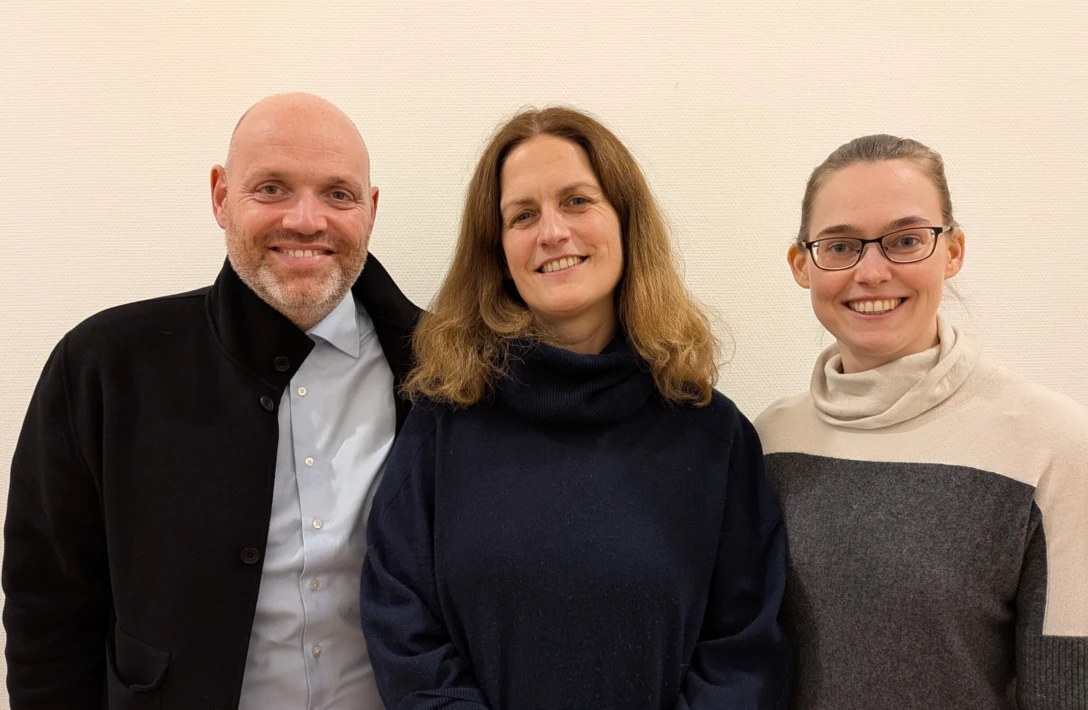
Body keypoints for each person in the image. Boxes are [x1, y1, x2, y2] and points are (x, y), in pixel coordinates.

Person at [360, 106, 793, 710]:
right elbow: (402, 625)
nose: (552, 232)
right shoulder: (443, 421)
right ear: (498, 249)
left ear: (626, 221)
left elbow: (745, 651)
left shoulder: (715, 436)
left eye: (578, 201)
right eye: (523, 215)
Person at [3, 93, 421, 709]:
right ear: (221, 196)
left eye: (338, 194)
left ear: (372, 209)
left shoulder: (444, 373)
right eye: (272, 188)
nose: (307, 220)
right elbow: (49, 609)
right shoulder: (101, 367)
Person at [755, 135, 1088, 708]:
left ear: (953, 250)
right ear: (802, 265)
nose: (873, 272)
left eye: (906, 240)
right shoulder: (768, 441)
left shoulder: (1051, 444)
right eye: (840, 246)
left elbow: (1067, 685)